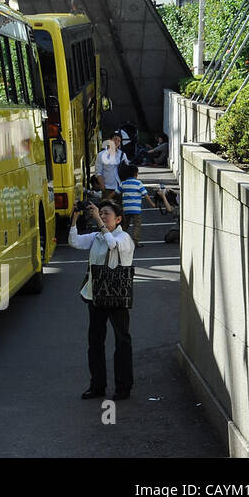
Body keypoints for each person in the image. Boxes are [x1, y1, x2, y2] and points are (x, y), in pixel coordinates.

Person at [70, 201, 135, 400]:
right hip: (96, 295)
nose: (103, 216)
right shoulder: (96, 236)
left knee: (121, 341)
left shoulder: (124, 237)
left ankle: (123, 387)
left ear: (118, 219)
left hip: (117, 296)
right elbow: (74, 242)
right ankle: (97, 385)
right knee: (95, 341)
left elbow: (112, 245)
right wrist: (74, 217)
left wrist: (98, 220)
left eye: (107, 214)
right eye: (101, 213)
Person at [119, 165, 146, 242]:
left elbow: (116, 192)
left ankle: (122, 239)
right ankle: (135, 240)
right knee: (137, 225)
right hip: (136, 209)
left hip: (126, 209)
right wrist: (152, 203)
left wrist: (108, 198)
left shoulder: (123, 183)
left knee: (125, 224)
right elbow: (145, 194)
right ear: (136, 174)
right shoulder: (138, 183)